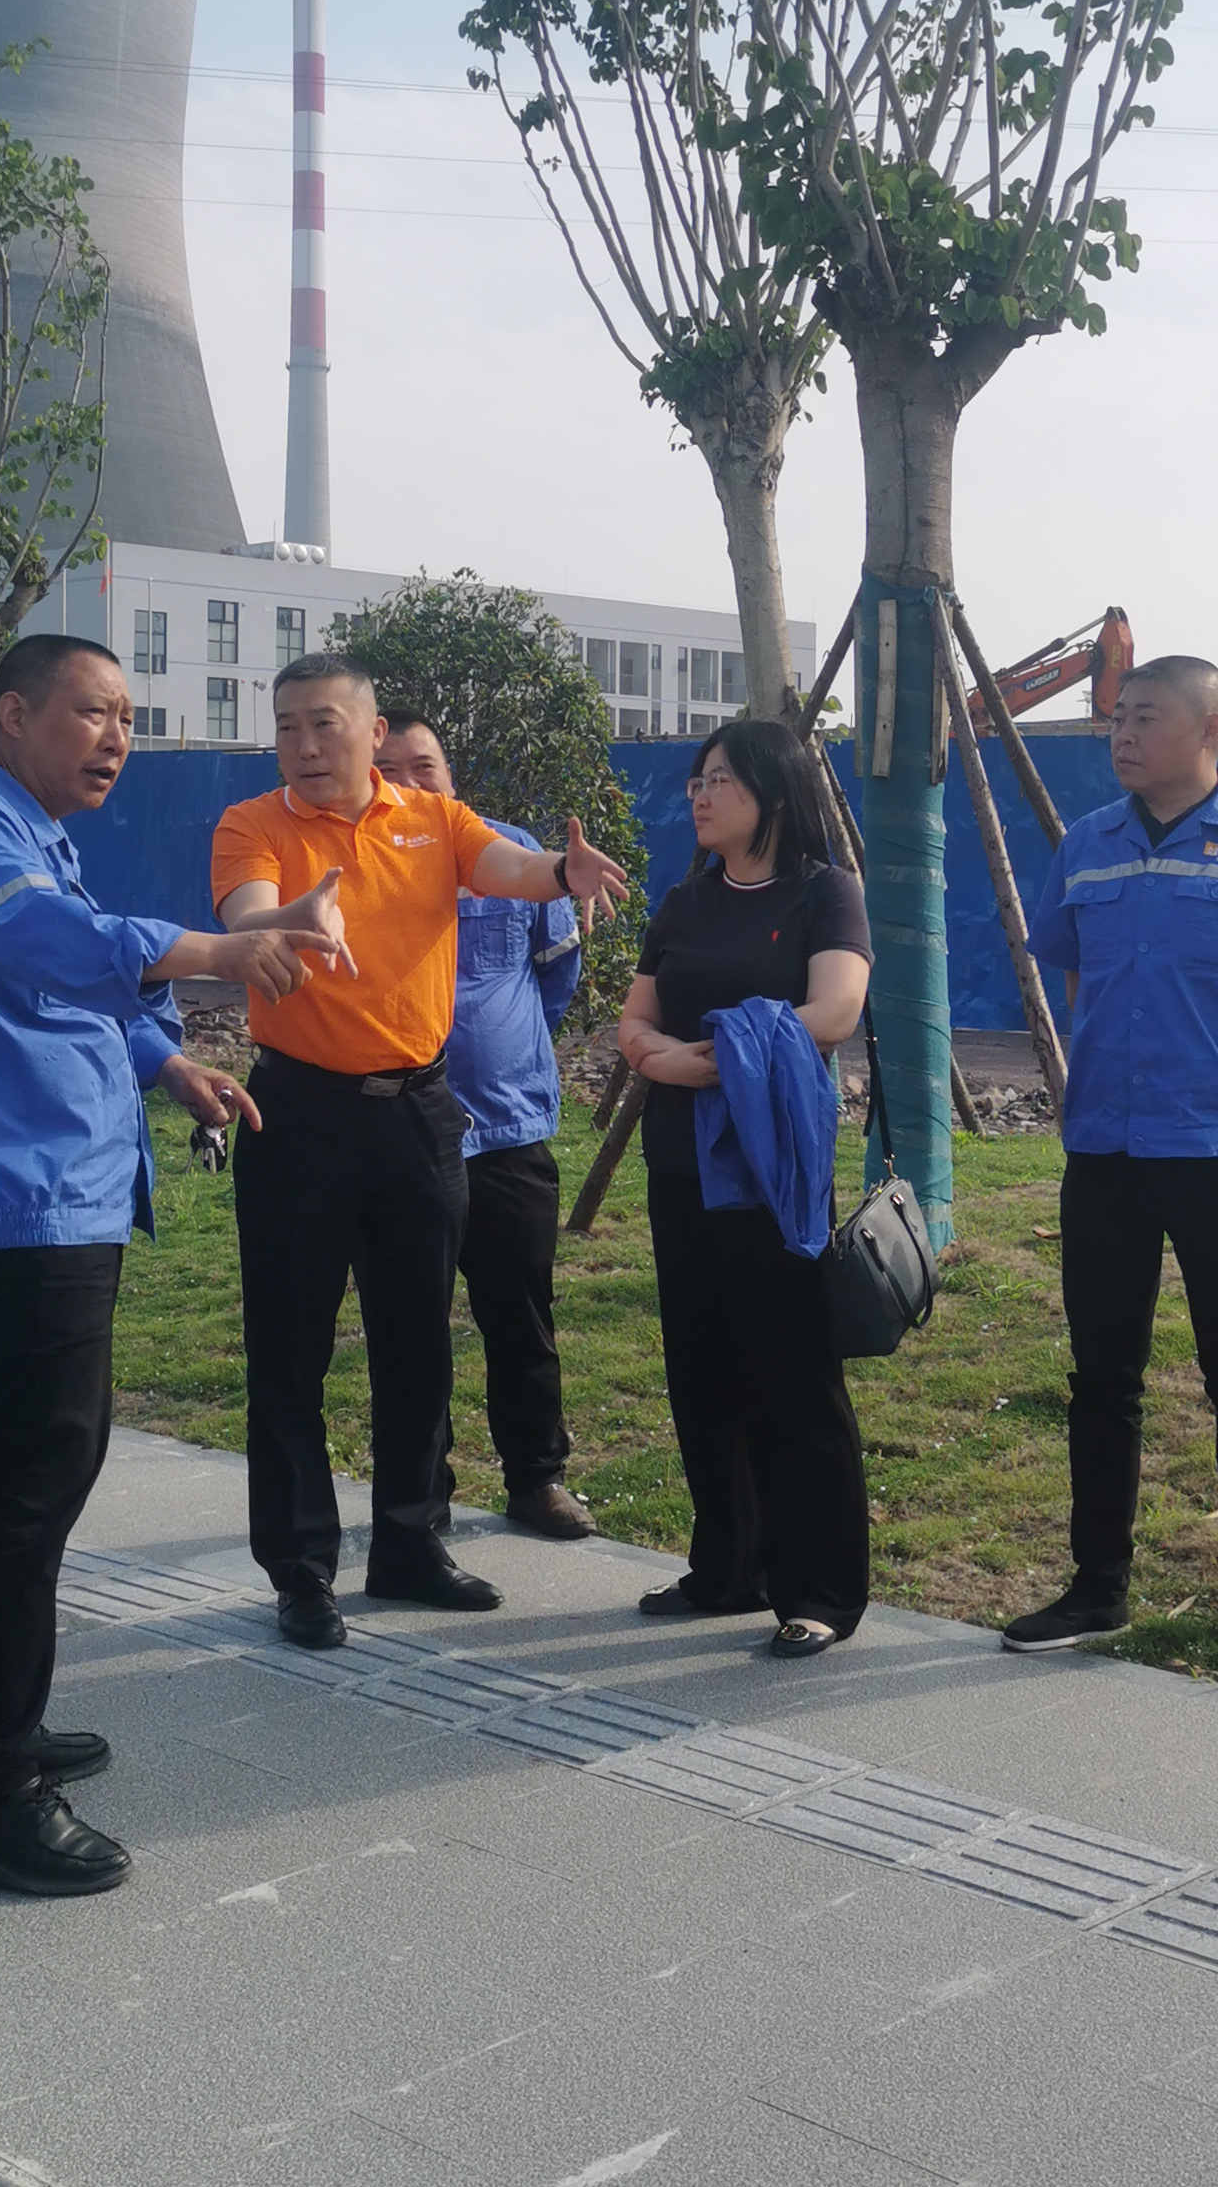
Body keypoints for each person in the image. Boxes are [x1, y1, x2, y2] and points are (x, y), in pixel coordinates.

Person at [0, 633, 341, 1894]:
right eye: (93, 712)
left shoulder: (25, 828)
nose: (118, 738)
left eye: (129, 716)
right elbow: (47, 946)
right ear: (12, 712)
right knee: (28, 1485)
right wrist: (221, 950)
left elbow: (62, 985)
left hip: (46, 1190)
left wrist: (167, 1063)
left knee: (27, 1475)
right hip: (10, 1195)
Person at [210, 656, 631, 1650]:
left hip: (418, 1115)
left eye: (323, 724)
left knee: (417, 1345)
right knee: (289, 1354)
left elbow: (512, 870)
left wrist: (564, 873)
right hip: (298, 1116)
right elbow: (245, 911)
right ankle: (301, 1570)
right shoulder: (252, 824)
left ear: (371, 734)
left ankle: (409, 1544)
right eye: (286, 727)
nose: (303, 746)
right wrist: (289, 919)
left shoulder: (435, 821)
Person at [1004, 655, 1218, 1665]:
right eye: (1116, 718)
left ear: (1210, 730)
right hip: (1106, 1147)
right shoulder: (1086, 846)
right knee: (1102, 1375)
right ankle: (1097, 1587)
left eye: (1145, 718)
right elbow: (1077, 978)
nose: (1122, 735)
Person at [615, 716, 874, 1657]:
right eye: (697, 779)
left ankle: (821, 1590)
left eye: (719, 778)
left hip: (771, 1167)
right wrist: (662, 1060)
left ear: (773, 790)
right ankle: (727, 1567)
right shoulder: (686, 901)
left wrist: (718, 1053)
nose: (699, 794)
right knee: (702, 1369)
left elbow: (834, 1009)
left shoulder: (824, 893)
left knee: (793, 1375)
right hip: (681, 1161)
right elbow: (635, 1020)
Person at [373, 710, 594, 1542]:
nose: (406, 783)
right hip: (401, 1128)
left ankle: (537, 1478)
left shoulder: (510, 852)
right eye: (388, 770)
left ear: (450, 774)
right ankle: (422, 1497)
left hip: (506, 1127)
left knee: (520, 1314)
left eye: (422, 766)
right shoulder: (358, 859)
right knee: (411, 1322)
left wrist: (507, 1043)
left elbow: (556, 971)